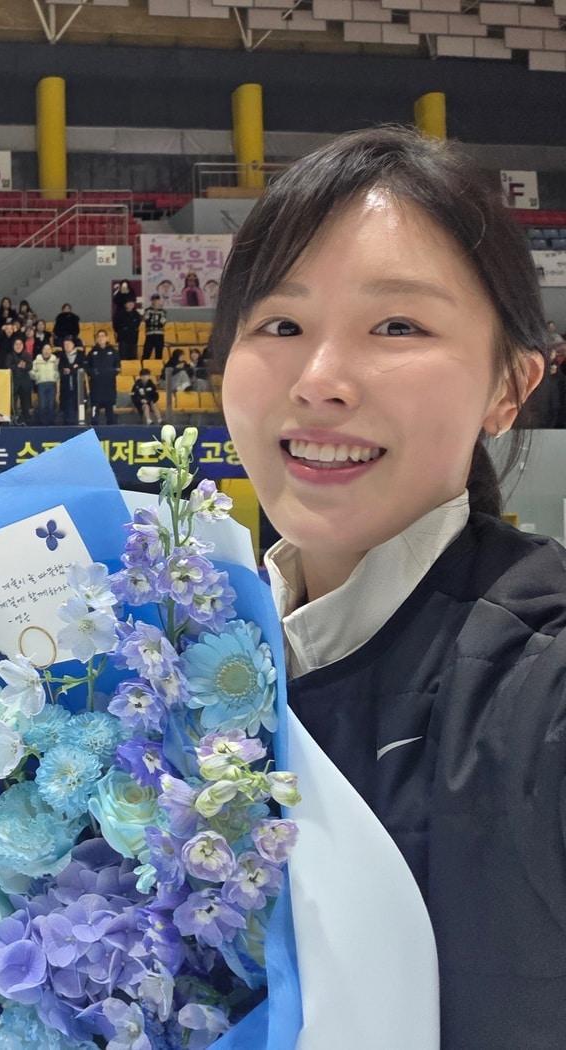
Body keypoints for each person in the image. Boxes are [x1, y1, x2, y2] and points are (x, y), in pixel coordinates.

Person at [216, 126, 564, 1048]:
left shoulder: (540, 688)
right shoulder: (170, 666)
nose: (320, 381)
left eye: (398, 326)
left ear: (510, 386)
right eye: (279, 325)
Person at [84, 332, 120, 425]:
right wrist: (94, 373)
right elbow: (87, 367)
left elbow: (118, 367)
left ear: (107, 338)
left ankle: (111, 429)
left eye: (103, 336)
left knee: (110, 411)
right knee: (94, 409)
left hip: (109, 386)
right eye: (98, 336)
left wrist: (109, 373)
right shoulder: (92, 352)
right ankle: (94, 426)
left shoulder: (113, 351)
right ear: (96, 339)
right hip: (96, 386)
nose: (101, 338)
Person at [58, 337, 83, 425]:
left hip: (78, 386)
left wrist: (72, 370)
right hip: (65, 386)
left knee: (77, 406)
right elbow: (60, 368)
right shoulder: (62, 356)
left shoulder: (80, 355)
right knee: (66, 407)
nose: (67, 346)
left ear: (73, 345)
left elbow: (82, 367)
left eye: (69, 344)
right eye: (65, 345)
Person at [32, 342, 59, 425]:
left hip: (52, 384)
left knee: (51, 404)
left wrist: (55, 378)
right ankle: (43, 424)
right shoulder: (37, 360)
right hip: (41, 384)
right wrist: (37, 376)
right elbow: (32, 372)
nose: (46, 351)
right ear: (42, 350)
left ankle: (51, 423)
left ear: (51, 350)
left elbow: (58, 372)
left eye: (48, 349)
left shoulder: (55, 360)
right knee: (42, 405)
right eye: (45, 349)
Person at [10, 337, 33, 424]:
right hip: (14, 383)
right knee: (13, 404)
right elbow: (8, 366)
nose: (18, 346)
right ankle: (13, 420)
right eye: (16, 344)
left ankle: (26, 420)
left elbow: (30, 366)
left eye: (20, 344)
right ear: (13, 346)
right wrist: (18, 366)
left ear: (23, 345)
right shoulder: (10, 355)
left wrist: (24, 366)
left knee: (25, 403)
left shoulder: (27, 355)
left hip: (25, 383)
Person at [141, 293, 167, 363]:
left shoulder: (163, 311)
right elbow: (145, 319)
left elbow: (162, 322)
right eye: (154, 300)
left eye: (157, 300)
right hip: (150, 334)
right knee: (146, 353)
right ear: (151, 301)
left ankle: (158, 368)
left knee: (159, 353)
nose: (155, 302)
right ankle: (143, 367)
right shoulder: (148, 310)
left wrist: (154, 321)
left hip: (159, 334)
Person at [114, 297, 142, 362]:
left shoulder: (136, 314)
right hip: (123, 339)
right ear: (125, 304)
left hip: (133, 339)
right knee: (123, 358)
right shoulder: (119, 314)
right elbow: (116, 325)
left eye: (132, 303)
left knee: (133, 358)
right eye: (129, 303)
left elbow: (137, 324)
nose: (131, 304)